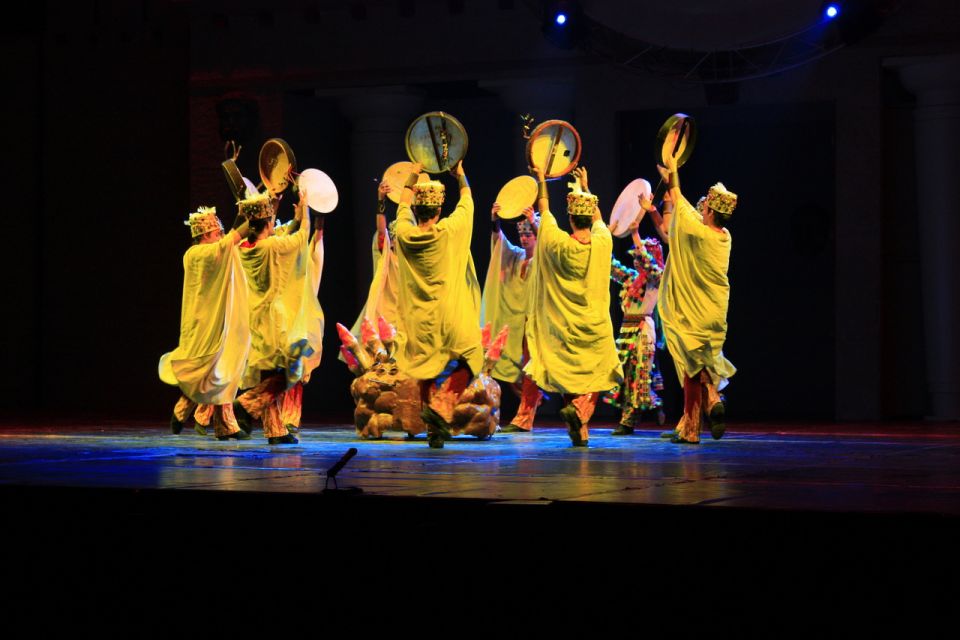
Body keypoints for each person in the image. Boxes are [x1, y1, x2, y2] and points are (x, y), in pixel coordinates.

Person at [523, 165, 622, 447]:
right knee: (596, 374)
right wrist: (586, 188)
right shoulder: (603, 242)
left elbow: (544, 209)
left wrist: (541, 179)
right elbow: (600, 220)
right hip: (594, 324)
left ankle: (580, 428)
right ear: (590, 217)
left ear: (570, 217)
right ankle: (580, 415)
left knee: (569, 376)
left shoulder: (557, 243)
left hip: (564, 324)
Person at [393, 161, 483, 448]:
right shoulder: (449, 231)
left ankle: (433, 429)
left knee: (425, 370)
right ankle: (441, 409)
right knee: (472, 358)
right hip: (449, 314)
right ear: (438, 209)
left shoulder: (405, 234)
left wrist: (413, 174)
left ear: (416, 210)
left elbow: (402, 206)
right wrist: (460, 174)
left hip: (419, 318)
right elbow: (468, 203)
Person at [656, 143, 737, 444]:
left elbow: (679, 203)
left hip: (695, 312)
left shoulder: (700, 232)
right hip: (715, 312)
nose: (701, 208)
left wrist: (674, 173)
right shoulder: (724, 237)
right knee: (700, 364)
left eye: (705, 207)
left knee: (692, 369)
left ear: (711, 210)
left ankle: (692, 429)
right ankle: (712, 401)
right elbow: (687, 210)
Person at [233, 188, 325, 445]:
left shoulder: (245, 248)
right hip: (275, 321)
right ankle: (246, 403)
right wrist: (304, 209)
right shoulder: (273, 247)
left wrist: (292, 218)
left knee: (267, 373)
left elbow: (286, 232)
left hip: (255, 318)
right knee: (291, 371)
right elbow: (301, 236)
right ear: (269, 222)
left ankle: (274, 430)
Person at [159, 206, 251, 441]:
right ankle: (183, 410)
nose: (220, 235)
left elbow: (231, 238)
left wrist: (244, 213)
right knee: (207, 369)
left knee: (222, 368)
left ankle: (225, 426)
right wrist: (254, 214)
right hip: (202, 322)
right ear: (206, 234)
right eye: (216, 232)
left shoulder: (212, 251)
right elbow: (234, 237)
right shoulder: (198, 254)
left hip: (214, 318)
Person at [480, 202, 543, 433]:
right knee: (511, 369)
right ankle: (533, 399)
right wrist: (495, 221)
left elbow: (548, 245)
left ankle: (525, 417)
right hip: (516, 323)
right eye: (522, 234)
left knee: (531, 370)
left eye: (529, 234)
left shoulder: (543, 260)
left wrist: (536, 223)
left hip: (535, 323)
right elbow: (500, 246)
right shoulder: (516, 257)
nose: (525, 238)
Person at [603, 227, 666, 435]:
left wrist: (636, 235)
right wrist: (603, 236)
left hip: (643, 329)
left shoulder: (656, 278)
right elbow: (611, 267)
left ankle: (631, 418)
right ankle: (636, 414)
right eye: (635, 257)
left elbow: (650, 266)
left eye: (640, 257)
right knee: (626, 375)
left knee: (640, 374)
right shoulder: (630, 278)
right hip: (626, 329)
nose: (637, 261)